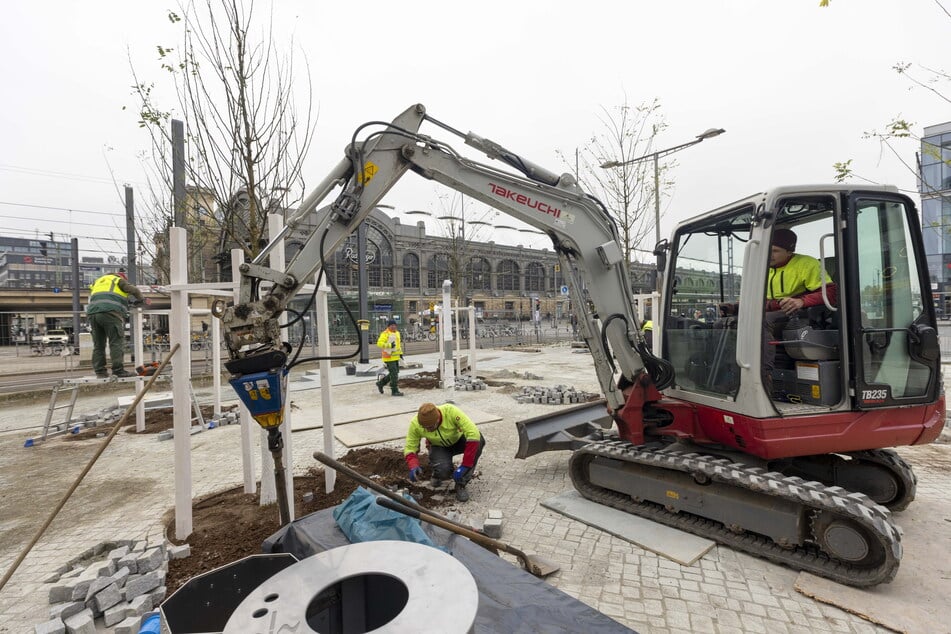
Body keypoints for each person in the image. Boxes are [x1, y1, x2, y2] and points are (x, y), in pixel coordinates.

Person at [763, 228, 836, 387]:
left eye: (775, 251)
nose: (770, 255)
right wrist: (733, 308)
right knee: (728, 322)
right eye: (768, 250)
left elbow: (830, 292)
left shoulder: (807, 264)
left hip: (801, 314)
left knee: (764, 320)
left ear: (790, 251)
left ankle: (764, 375)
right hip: (775, 311)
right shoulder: (762, 269)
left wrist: (802, 301)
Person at [404, 402, 486, 502]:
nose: (427, 430)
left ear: (438, 419)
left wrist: (465, 465)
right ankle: (438, 473)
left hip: (459, 440)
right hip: (439, 446)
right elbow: (410, 447)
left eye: (429, 427)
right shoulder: (415, 424)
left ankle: (461, 484)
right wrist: (413, 465)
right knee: (443, 471)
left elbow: (473, 434)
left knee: (479, 441)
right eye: (424, 427)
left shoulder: (450, 411)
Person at [87, 268, 145, 379]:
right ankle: (118, 371)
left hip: (93, 313)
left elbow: (106, 296)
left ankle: (100, 372)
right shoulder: (118, 280)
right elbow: (134, 290)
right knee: (116, 342)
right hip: (110, 313)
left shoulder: (98, 281)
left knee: (98, 344)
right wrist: (141, 300)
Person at [375, 319, 404, 396]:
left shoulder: (397, 333)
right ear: (388, 326)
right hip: (388, 357)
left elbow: (398, 345)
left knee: (394, 373)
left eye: (394, 325)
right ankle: (394, 390)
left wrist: (401, 354)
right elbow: (379, 343)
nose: (393, 326)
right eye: (391, 325)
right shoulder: (385, 334)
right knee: (394, 374)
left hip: (396, 357)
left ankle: (380, 383)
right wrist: (389, 345)